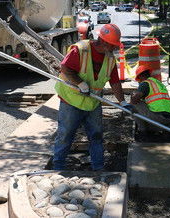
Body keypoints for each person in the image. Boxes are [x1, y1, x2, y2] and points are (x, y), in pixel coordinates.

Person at [53, 23, 129, 171]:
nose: (114, 48)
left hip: (93, 103)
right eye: (113, 45)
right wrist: (80, 83)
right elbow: (65, 68)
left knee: (96, 137)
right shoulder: (81, 49)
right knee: (65, 136)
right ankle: (57, 168)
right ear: (105, 42)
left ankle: (98, 169)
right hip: (71, 101)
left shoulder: (110, 59)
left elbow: (114, 81)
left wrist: (123, 102)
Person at [130, 65, 170, 134]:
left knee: (134, 105)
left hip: (158, 117)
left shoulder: (145, 84)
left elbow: (134, 100)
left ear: (140, 76)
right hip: (168, 117)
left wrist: (133, 95)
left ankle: (142, 131)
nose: (139, 82)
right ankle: (153, 128)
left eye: (139, 79)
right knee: (141, 104)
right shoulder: (158, 83)